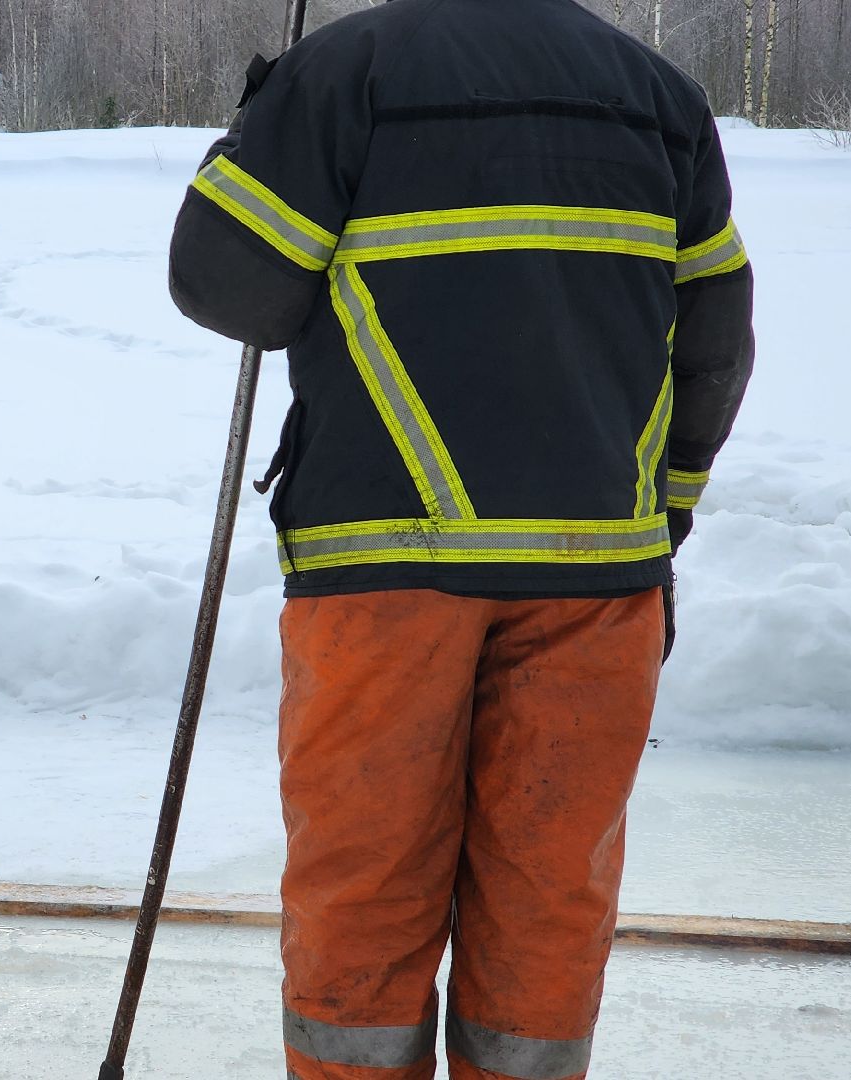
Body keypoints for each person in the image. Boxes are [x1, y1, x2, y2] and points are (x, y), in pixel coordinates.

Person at [167, 1, 753, 1077]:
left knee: (365, 892)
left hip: (385, 564)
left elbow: (229, 287)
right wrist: (657, 517)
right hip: (595, 581)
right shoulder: (659, 96)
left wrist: (253, 130)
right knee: (546, 904)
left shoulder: (347, 70)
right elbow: (715, 333)